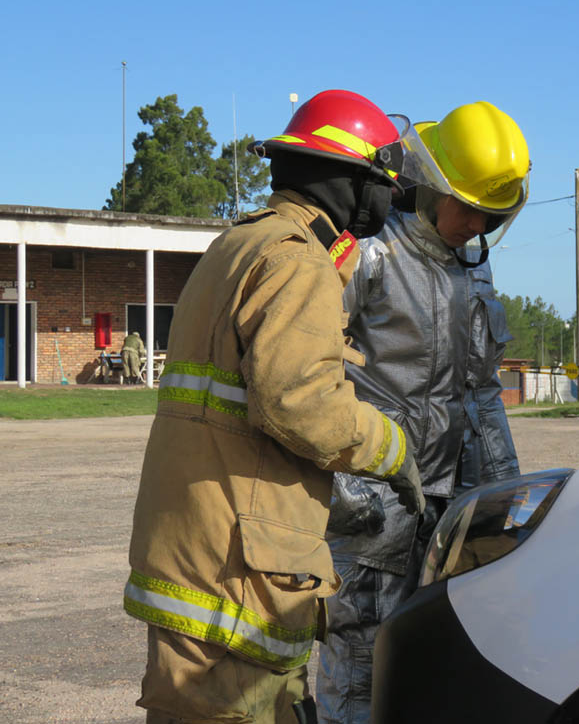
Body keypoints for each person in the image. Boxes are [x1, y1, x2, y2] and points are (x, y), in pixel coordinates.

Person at [123, 90, 429, 724]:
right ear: (352, 180)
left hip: (201, 554)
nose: (387, 201)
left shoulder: (238, 246)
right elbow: (299, 404)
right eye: (383, 184)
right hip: (238, 577)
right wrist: (392, 448)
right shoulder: (297, 262)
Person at [316, 101, 530, 724]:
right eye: (468, 206)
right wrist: (346, 490)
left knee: (437, 658)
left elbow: (482, 390)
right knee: (358, 660)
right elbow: (308, 373)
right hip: (373, 502)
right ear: (432, 184)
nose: (476, 224)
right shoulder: (367, 253)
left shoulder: (474, 262)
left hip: (448, 507)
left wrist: (501, 493)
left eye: (491, 214)